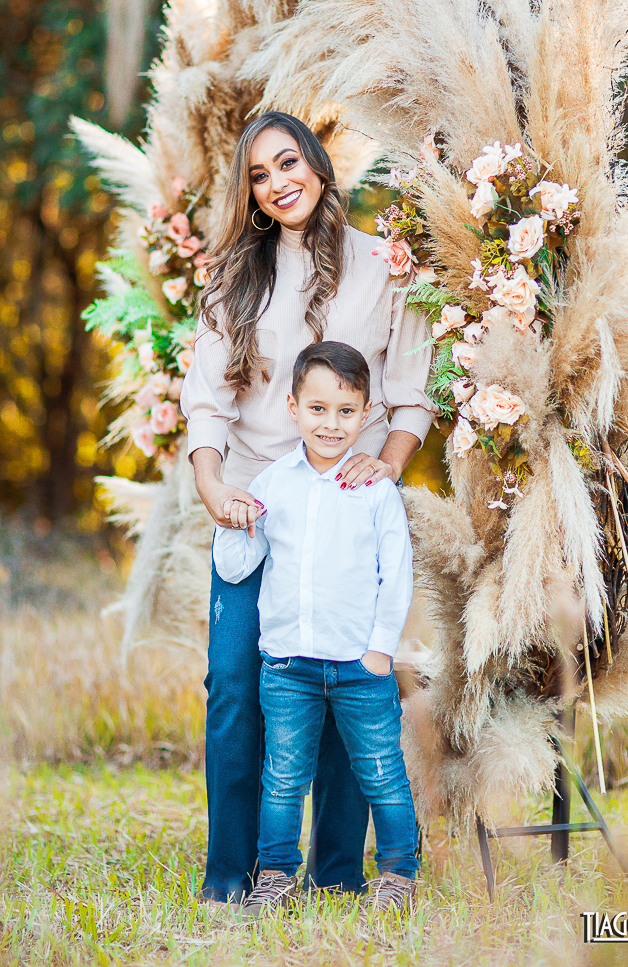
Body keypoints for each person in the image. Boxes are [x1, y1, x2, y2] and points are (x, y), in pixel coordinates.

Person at [180, 112, 433, 904]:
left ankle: (335, 871)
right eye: (258, 175)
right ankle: (233, 874)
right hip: (258, 504)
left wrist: (382, 470)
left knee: (350, 682)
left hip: (351, 502)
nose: (277, 182)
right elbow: (207, 402)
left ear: (319, 165)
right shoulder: (234, 276)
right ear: (250, 195)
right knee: (234, 684)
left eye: (287, 162)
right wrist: (214, 487)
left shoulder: (387, 264)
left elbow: (411, 394)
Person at [213, 341, 419, 917]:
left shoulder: (376, 489)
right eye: (319, 409)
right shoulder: (274, 483)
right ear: (292, 407)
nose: (332, 424)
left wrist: (381, 653)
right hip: (287, 666)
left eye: (347, 411)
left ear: (367, 413)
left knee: (382, 773)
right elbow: (237, 567)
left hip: (360, 666)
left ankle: (399, 874)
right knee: (281, 778)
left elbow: (395, 576)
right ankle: (276, 874)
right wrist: (236, 519)